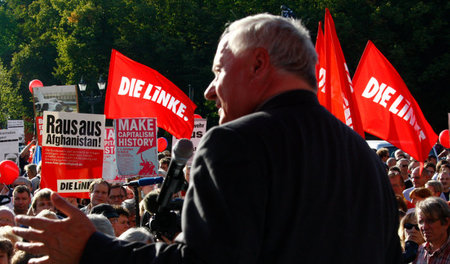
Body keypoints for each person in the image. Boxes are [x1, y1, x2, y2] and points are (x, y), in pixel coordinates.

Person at [12, 13, 401, 263]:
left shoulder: (236, 143)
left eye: (218, 71)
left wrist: (94, 249)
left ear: (259, 63)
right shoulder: (362, 157)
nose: (211, 91)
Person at [413, 197, 450, 263]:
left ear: (446, 222)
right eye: (421, 222)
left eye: (430, 221)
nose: (424, 227)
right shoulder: (419, 250)